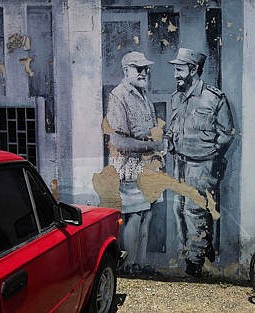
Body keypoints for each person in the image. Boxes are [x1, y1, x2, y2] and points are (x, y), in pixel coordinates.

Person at [165, 48, 235, 277]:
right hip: (180, 163)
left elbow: (227, 133)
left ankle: (195, 260)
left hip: (202, 164)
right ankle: (200, 248)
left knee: (195, 210)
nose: (175, 74)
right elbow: (173, 126)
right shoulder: (177, 96)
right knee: (179, 208)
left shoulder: (214, 98)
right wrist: (168, 140)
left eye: (179, 69)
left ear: (193, 70)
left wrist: (210, 154)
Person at [103, 51, 162, 273]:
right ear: (126, 70)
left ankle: (141, 265)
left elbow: (149, 132)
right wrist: (151, 144)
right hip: (129, 166)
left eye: (146, 68)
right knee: (134, 216)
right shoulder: (119, 95)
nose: (144, 72)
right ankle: (127, 268)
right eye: (138, 68)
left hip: (148, 166)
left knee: (146, 215)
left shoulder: (143, 94)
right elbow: (118, 140)